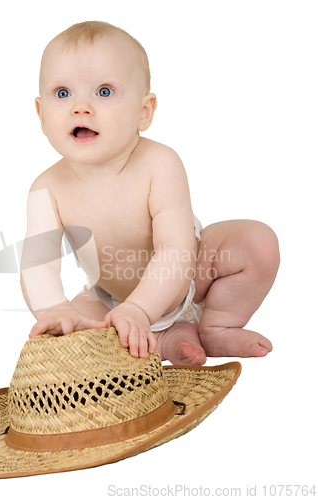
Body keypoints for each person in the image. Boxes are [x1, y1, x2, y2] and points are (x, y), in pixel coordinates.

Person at [20, 21, 280, 365]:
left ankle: (217, 326)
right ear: (41, 114)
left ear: (144, 112)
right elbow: (38, 263)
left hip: (194, 277)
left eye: (104, 91)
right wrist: (56, 309)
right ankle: (166, 340)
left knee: (257, 244)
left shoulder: (160, 163)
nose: (80, 108)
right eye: (63, 94)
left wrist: (141, 309)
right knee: (70, 349)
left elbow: (176, 249)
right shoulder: (46, 188)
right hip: (112, 299)